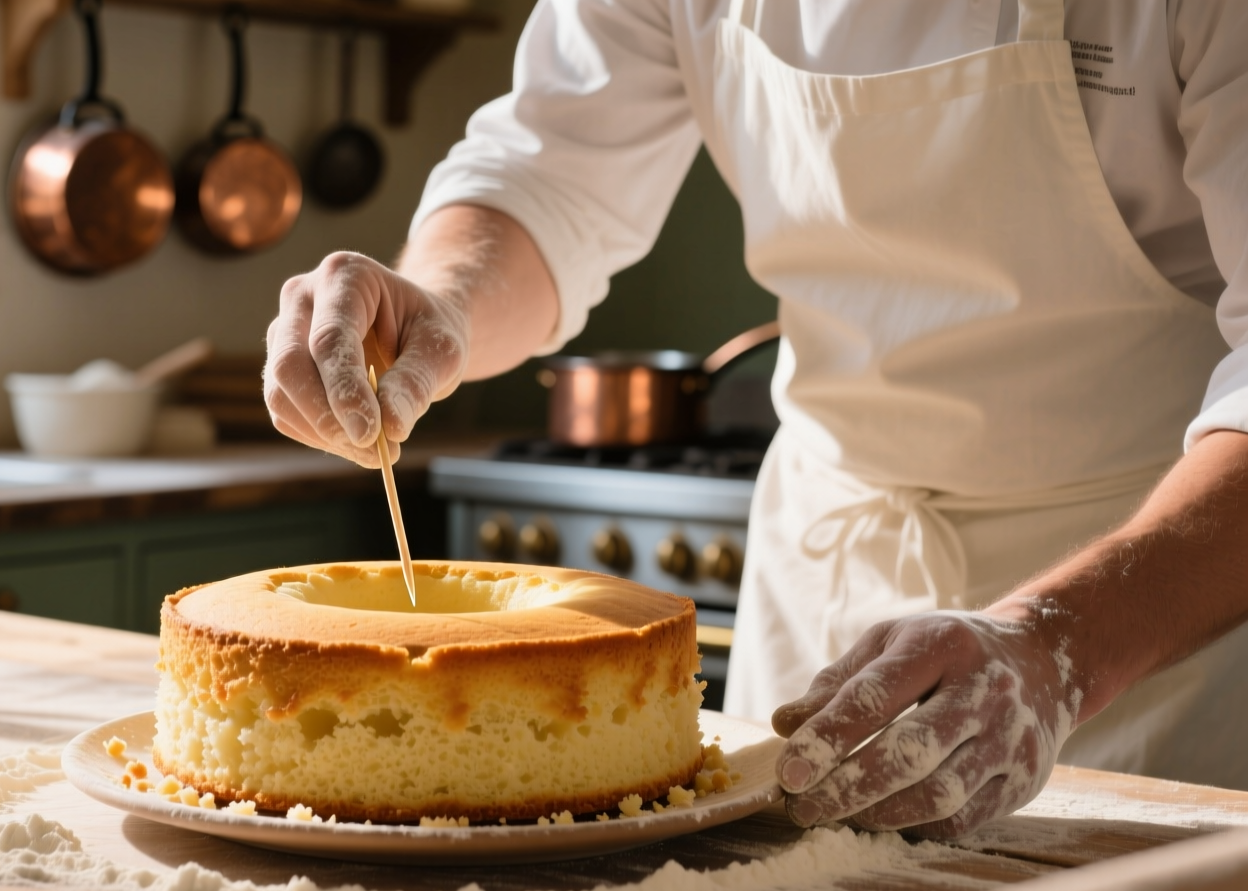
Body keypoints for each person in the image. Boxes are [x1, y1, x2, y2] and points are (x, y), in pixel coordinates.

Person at [262, 0, 1248, 837]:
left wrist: (1056, 646)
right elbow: (548, 175)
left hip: (1150, 616)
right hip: (827, 589)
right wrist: (441, 300)